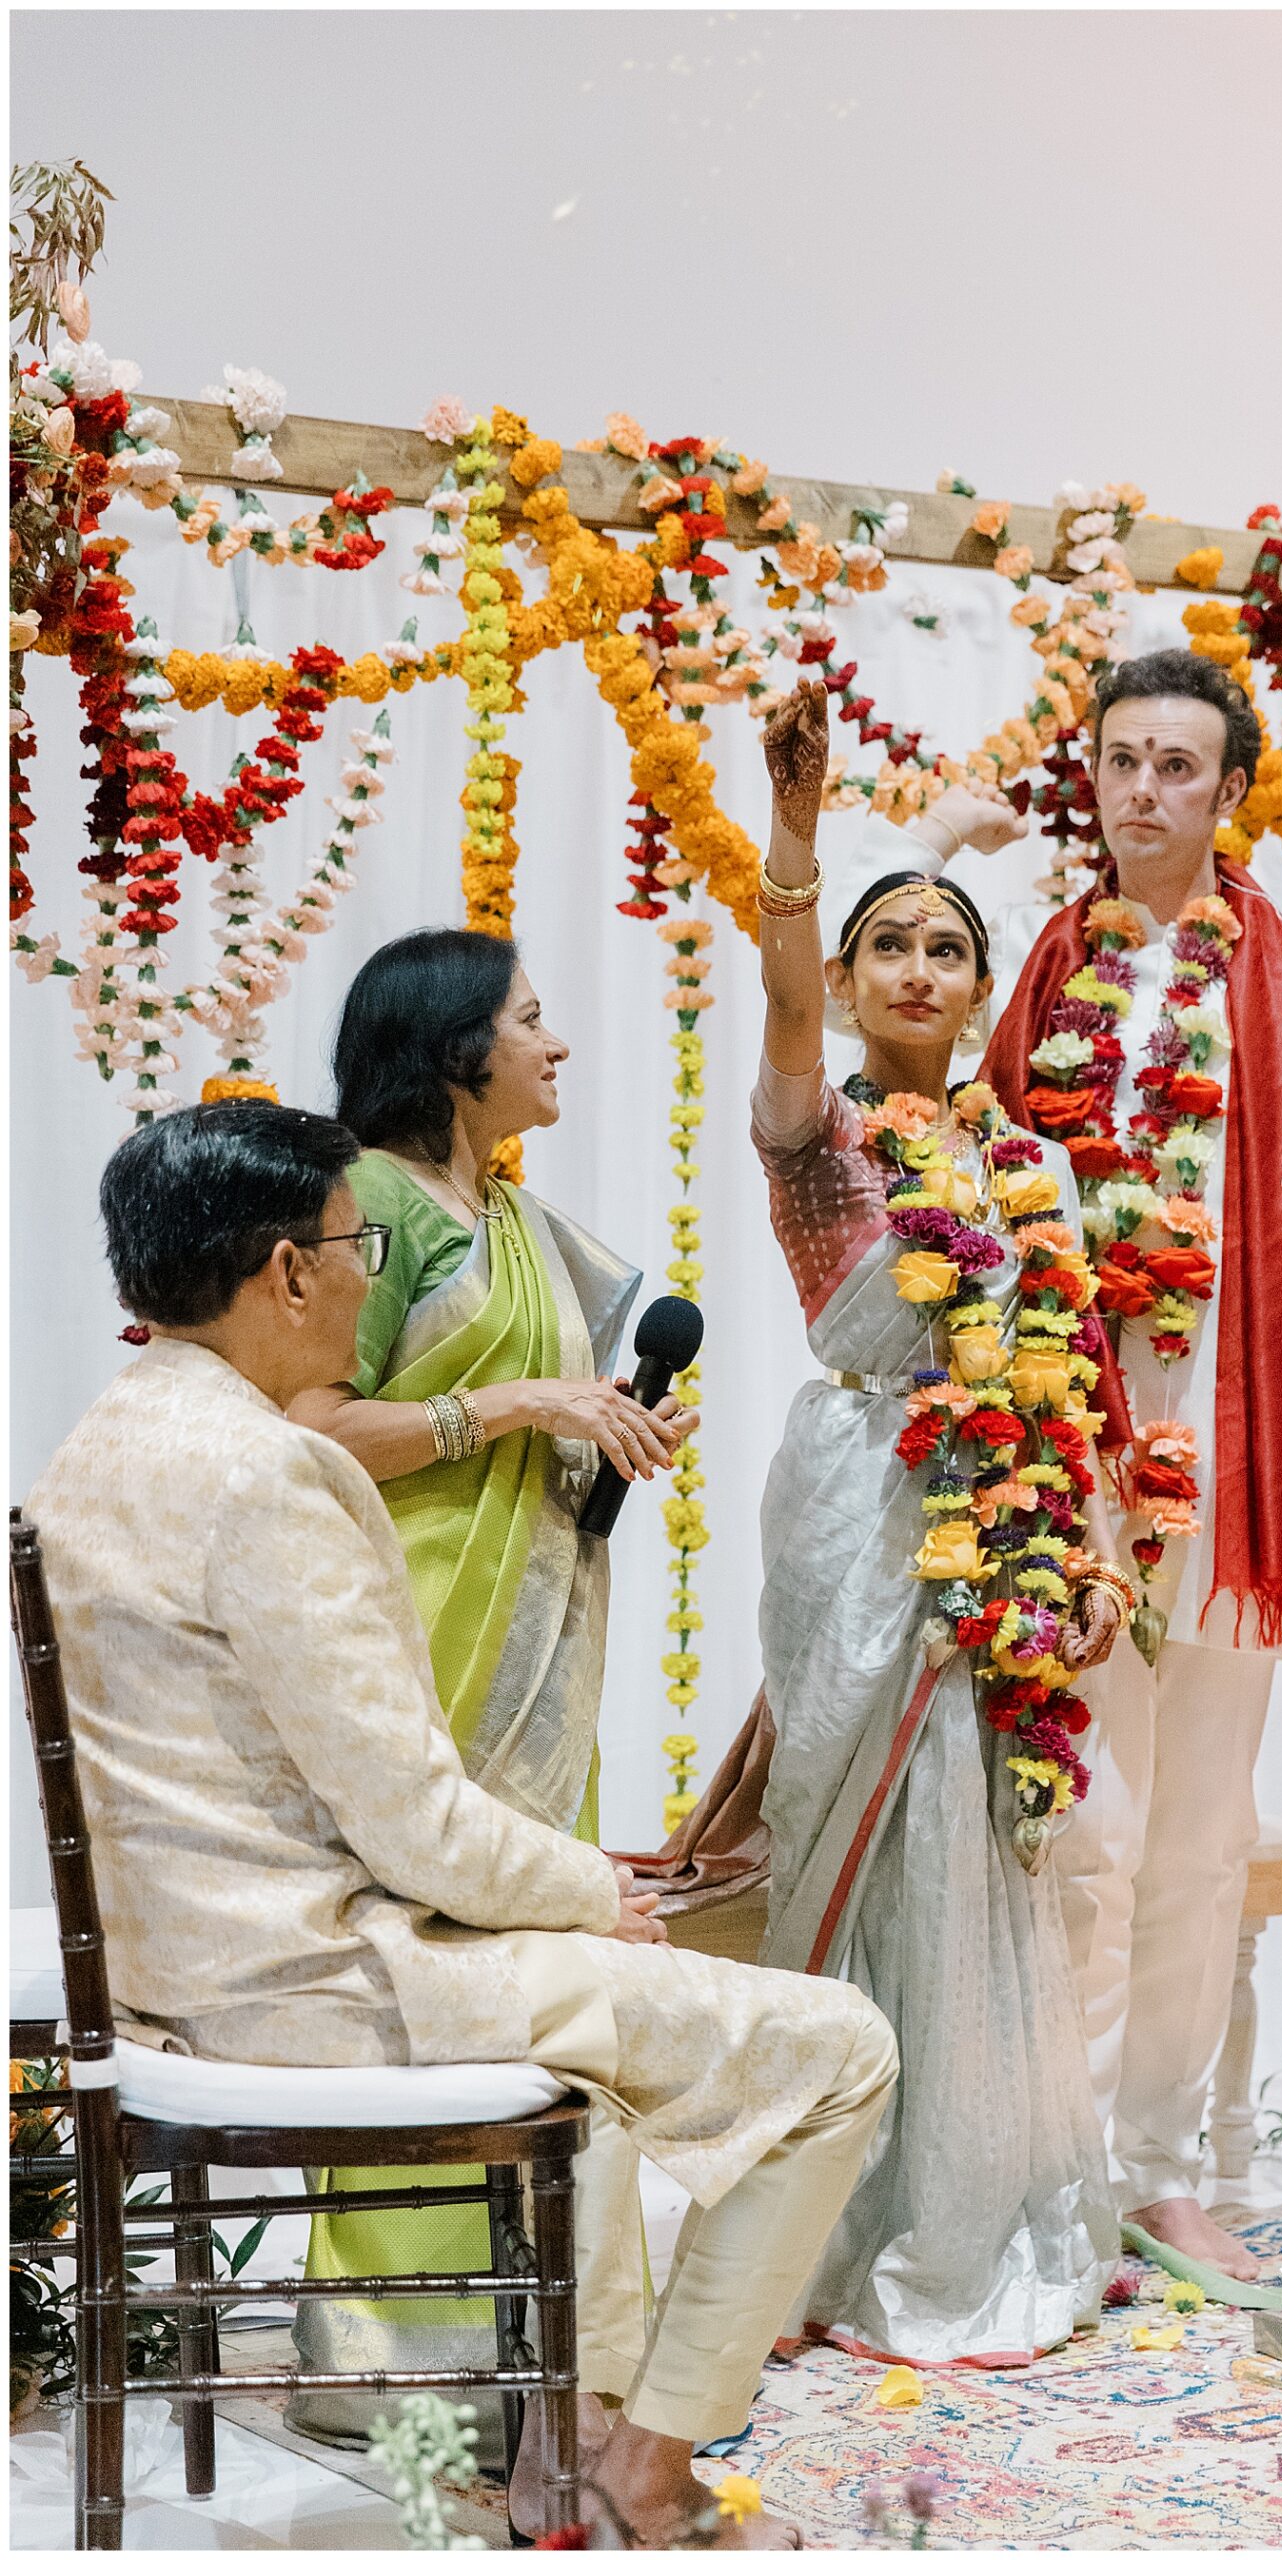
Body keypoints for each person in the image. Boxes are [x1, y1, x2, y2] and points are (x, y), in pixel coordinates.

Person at [27, 1101, 896, 2549]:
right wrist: (589, 1889)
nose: (369, 1276)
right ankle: (648, 2473)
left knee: (606, 2066)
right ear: (286, 1275)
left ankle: (578, 2454)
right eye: (355, 1245)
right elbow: (418, 1825)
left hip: (176, 1970)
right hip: (314, 1987)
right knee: (842, 2049)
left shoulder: (102, 1444)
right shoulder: (269, 1474)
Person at [846, 650, 1282, 2280]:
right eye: (1120, 761)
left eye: (1176, 766)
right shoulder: (1027, 985)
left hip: (1233, 1469)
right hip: (1061, 1447)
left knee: (1201, 1827)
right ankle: (1049, 2166)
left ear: (1229, 795)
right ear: (1088, 776)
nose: (1143, 789)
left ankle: (1154, 2171)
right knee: (1080, 1810)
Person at [744, 679, 1125, 2364]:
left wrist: (1098, 1545)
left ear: (983, 989)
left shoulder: (1028, 1169)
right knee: (866, 1846)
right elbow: (775, 1014)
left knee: (981, 1850)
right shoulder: (818, 1136)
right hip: (857, 1516)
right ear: (846, 980)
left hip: (1007, 1521)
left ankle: (973, 2205)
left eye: (945, 948)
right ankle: (834, 2219)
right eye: (884, 945)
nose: (915, 969)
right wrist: (801, 846)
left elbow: (1076, 1376)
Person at [284, 930, 695, 2439]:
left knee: (534, 1970)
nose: (557, 1044)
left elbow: (521, 1414)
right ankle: (390, 2366)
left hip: (539, 1620)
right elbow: (314, 1426)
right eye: (532, 1020)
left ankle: (533, 2339)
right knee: (427, 1958)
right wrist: (519, 1401)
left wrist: (600, 1428)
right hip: (420, 1629)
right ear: (457, 1048)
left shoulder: (509, 1212)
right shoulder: (374, 1209)